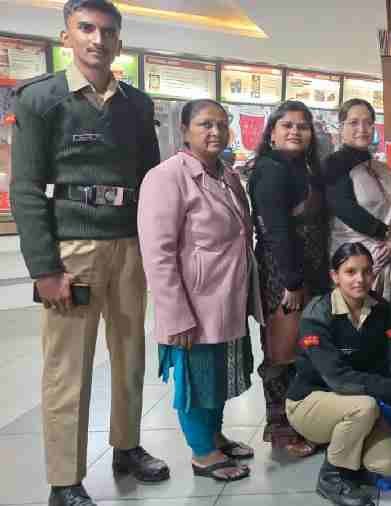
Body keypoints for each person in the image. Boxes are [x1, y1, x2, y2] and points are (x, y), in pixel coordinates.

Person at [10, 2, 168, 504]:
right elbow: (26, 188)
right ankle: (64, 480)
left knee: (130, 354)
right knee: (68, 367)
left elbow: (152, 183)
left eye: (108, 31)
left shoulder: (137, 105)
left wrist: (155, 250)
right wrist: (44, 268)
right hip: (71, 249)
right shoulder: (40, 99)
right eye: (86, 28)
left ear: (119, 42)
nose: (98, 39)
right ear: (67, 37)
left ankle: (127, 445)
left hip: (129, 245)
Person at [138, 98, 260, 482]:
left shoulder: (228, 175)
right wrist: (175, 314)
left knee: (220, 375)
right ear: (185, 130)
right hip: (195, 302)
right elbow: (157, 254)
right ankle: (202, 453)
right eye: (206, 124)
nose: (216, 132)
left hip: (229, 296)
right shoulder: (166, 177)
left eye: (222, 124)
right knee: (197, 378)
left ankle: (214, 436)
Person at [285, 243, 391, 506]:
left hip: (363, 398)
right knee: (363, 408)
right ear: (335, 276)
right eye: (350, 272)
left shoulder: (381, 309)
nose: (360, 279)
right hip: (311, 400)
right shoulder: (317, 314)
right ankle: (332, 478)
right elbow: (339, 379)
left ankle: (354, 458)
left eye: (366, 271)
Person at [248, 100, 327, 458]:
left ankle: (305, 422)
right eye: (287, 125)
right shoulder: (270, 170)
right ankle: (281, 430)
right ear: (272, 134)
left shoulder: (303, 169)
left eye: (303, 126)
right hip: (284, 277)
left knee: (304, 351)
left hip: (310, 274)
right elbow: (276, 231)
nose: (295, 131)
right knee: (281, 354)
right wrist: (291, 283)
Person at [325, 99, 391, 303]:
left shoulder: (382, 168)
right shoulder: (333, 165)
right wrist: (386, 234)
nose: (362, 128)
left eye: (368, 123)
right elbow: (344, 208)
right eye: (354, 122)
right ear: (341, 128)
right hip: (357, 266)